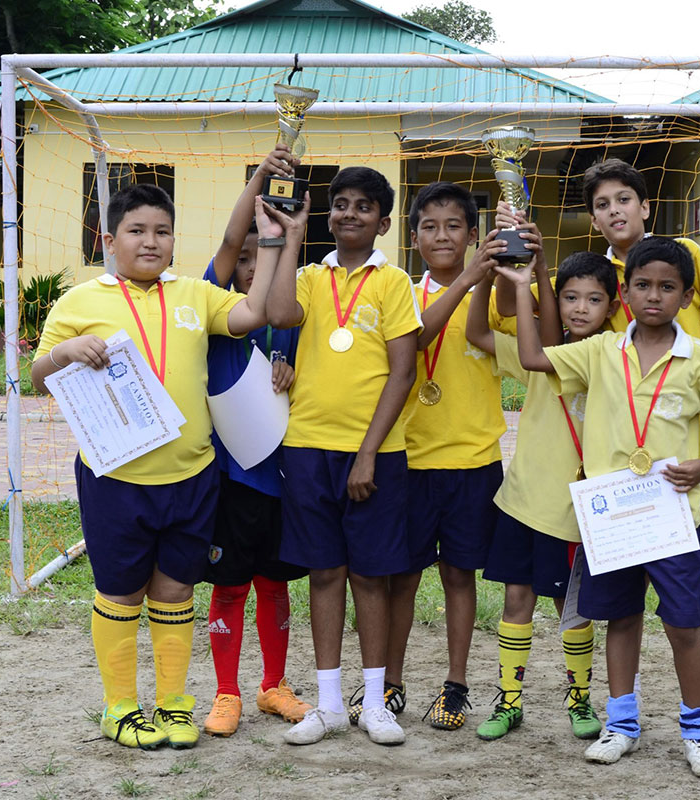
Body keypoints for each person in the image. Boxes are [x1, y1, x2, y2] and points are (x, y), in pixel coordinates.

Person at [497, 158, 700, 750]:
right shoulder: (601, 278)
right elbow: (547, 346)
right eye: (601, 205)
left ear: (645, 205)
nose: (613, 212)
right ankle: (623, 718)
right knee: (622, 608)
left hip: (685, 465)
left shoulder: (679, 254)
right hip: (619, 480)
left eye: (623, 199)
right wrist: (530, 263)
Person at [31, 180, 303, 750]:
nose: (150, 242)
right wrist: (64, 352)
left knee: (176, 592)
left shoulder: (195, 295)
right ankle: (121, 708)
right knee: (122, 593)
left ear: (174, 240)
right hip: (116, 478)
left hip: (191, 475)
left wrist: (276, 241)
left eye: (161, 231)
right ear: (110, 239)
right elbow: (37, 376)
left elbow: (255, 311)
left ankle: (175, 705)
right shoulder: (80, 301)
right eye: (136, 231)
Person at [503, 236, 700, 777]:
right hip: (613, 519)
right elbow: (531, 357)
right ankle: (622, 724)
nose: (653, 296)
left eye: (667, 287)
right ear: (625, 293)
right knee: (620, 618)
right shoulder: (600, 351)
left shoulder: (697, 356)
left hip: (673, 518)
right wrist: (524, 288)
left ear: (685, 297)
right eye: (642, 285)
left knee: (684, 626)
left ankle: (699, 732)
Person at [266, 166, 422, 747]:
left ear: (383, 222)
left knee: (372, 576)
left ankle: (376, 702)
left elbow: (403, 371)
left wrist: (367, 454)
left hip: (374, 455)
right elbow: (280, 316)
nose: (349, 214)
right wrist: (290, 233)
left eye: (363, 207)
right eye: (339, 205)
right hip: (307, 448)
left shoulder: (393, 282)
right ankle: (329, 704)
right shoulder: (308, 275)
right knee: (324, 571)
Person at [355, 182, 512, 732]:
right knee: (401, 577)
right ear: (412, 235)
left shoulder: (493, 294)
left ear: (474, 235)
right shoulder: (398, 291)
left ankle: (456, 685)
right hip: (409, 458)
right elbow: (418, 338)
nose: (442, 236)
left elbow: (524, 324)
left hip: (473, 460)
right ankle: (390, 682)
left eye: (454, 226)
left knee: (458, 575)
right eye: (429, 226)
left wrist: (510, 257)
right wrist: (469, 279)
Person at [465, 249, 619, 744]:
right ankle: (510, 699)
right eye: (570, 298)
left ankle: (579, 698)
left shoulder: (615, 355)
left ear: (612, 308)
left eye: (593, 299)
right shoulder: (539, 350)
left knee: (571, 607)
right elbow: (478, 335)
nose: (579, 308)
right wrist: (487, 278)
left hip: (577, 511)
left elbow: (541, 347)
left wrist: (542, 277)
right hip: (524, 500)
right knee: (516, 598)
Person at [200, 146, 313, 738]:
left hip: (285, 479)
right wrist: (260, 182)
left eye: (259, 256)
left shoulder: (293, 317)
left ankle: (273, 684)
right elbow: (228, 239)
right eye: (242, 259)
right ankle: (224, 692)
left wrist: (293, 374)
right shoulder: (217, 310)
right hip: (232, 480)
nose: (248, 266)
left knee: (275, 582)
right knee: (230, 585)